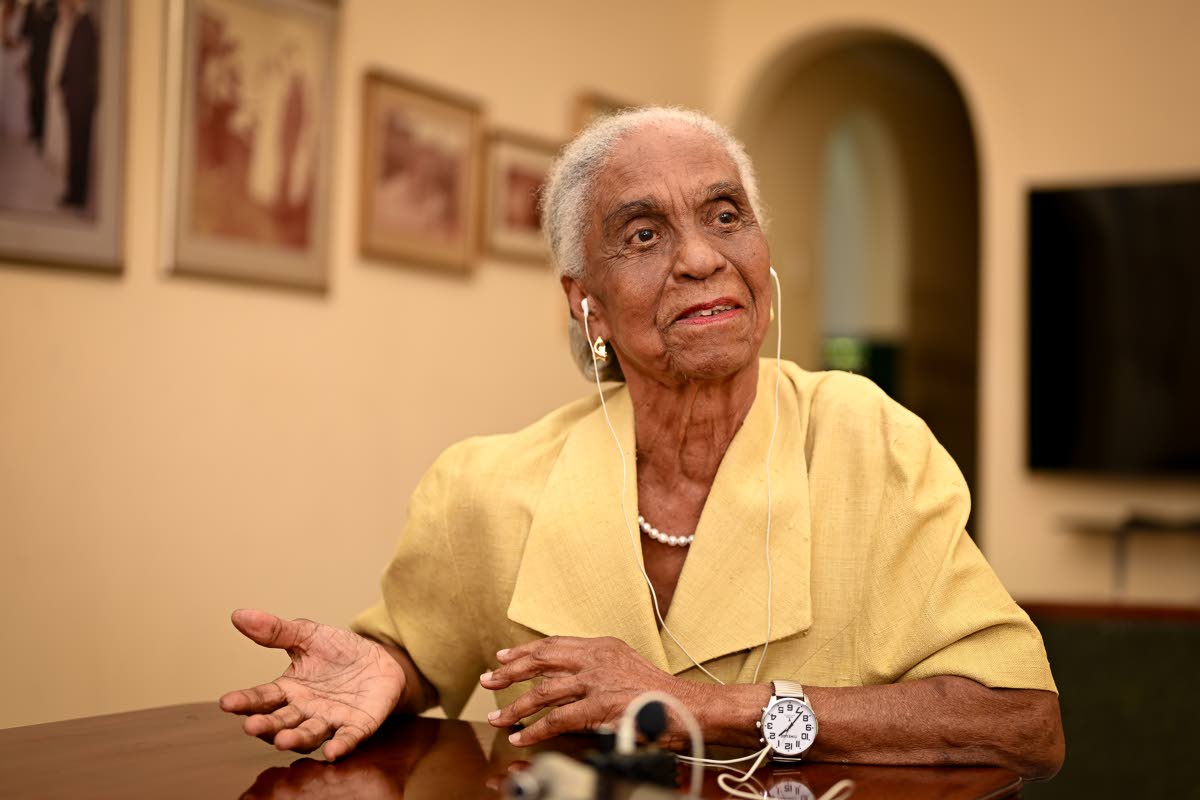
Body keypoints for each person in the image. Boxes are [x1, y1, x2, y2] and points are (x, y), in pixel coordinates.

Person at [220, 107, 1065, 780]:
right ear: (584, 302)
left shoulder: (865, 440)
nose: (700, 258)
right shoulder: (485, 486)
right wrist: (385, 672)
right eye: (643, 234)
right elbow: (415, 650)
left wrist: (696, 706)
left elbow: (1023, 721)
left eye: (725, 215)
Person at [56, 0, 96, 209]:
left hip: (81, 99)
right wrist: (62, 81)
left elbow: (82, 65)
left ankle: (76, 195)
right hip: (76, 97)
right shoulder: (80, 24)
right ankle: (74, 191)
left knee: (79, 149)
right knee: (75, 147)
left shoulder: (86, 25)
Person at [19, 0, 55, 150]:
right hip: (34, 59)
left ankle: (43, 134)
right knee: (33, 94)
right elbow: (24, 33)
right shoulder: (30, 8)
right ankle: (35, 131)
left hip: (48, 60)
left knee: (44, 96)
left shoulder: (53, 5)